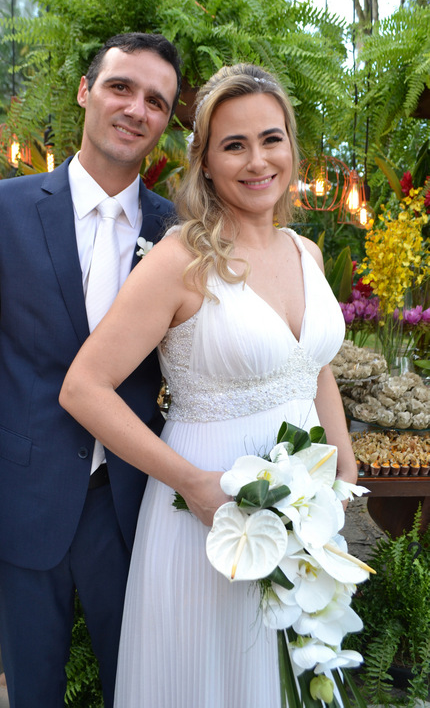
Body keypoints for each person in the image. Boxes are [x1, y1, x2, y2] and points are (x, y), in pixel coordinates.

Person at [59, 62, 358, 707]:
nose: (258, 161)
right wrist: (191, 484)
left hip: (305, 516)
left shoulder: (304, 252)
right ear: (205, 160)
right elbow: (83, 387)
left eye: (271, 138)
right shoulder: (180, 259)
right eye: (234, 145)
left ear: (292, 146)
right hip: (208, 520)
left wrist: (342, 470)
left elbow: (314, 367)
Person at [0, 32, 181, 708]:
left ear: (166, 122)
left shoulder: (179, 233)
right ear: (85, 91)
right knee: (29, 695)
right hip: (17, 503)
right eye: (121, 87)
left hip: (133, 512)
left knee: (143, 690)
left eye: (156, 100)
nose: (135, 108)